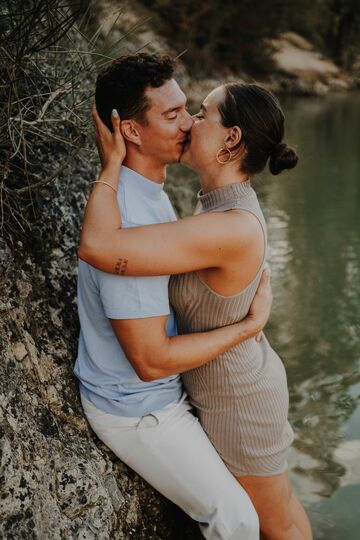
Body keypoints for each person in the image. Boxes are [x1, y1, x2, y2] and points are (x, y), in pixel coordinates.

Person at [78, 56, 313, 540]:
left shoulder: (219, 223)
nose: (189, 123)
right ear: (132, 130)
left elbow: (104, 248)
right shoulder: (203, 206)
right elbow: (104, 252)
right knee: (275, 517)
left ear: (231, 140)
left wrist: (111, 166)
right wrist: (247, 328)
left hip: (236, 399)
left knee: (277, 524)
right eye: (177, 114)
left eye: (199, 112)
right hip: (205, 389)